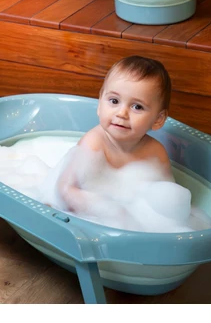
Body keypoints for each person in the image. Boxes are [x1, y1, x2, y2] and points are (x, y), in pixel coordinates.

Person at [55, 55, 174, 220]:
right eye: (114, 101)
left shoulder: (156, 153)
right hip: (81, 216)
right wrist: (111, 212)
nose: (122, 113)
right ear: (99, 104)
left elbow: (169, 199)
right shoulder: (94, 143)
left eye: (137, 106)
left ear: (158, 119)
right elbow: (64, 190)